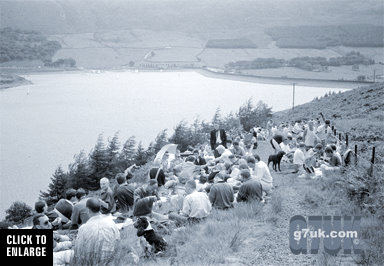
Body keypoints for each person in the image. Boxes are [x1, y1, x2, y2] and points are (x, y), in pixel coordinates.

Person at [73, 198, 120, 265]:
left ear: (88, 210)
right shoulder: (112, 224)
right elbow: (118, 243)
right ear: (100, 208)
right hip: (110, 262)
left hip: (92, 262)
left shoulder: (83, 228)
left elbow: (79, 252)